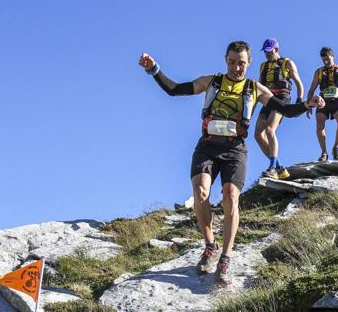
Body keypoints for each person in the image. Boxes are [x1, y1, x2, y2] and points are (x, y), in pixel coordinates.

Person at [138, 41, 324, 284]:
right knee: (200, 192)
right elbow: (174, 89)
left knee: (230, 196)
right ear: (226, 60)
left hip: (235, 149)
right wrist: (154, 70)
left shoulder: (255, 88)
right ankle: (210, 246)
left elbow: (285, 110)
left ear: (249, 64)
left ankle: (225, 257)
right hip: (208, 145)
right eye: (232, 62)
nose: (237, 68)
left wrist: (307, 105)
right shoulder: (212, 82)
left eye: (242, 64)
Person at [255, 38, 304, 179]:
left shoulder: (287, 63)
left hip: (282, 98)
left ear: (276, 49)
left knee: (270, 130)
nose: (267, 54)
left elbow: (298, 83)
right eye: (265, 51)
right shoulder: (263, 66)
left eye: (269, 51)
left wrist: (299, 101)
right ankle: (279, 167)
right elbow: (259, 85)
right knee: (258, 134)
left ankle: (272, 168)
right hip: (267, 100)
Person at [306, 47, 338, 161]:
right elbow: (311, 89)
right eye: (323, 59)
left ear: (333, 57)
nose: (325, 61)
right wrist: (308, 104)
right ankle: (324, 152)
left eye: (327, 58)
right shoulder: (318, 72)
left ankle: (336, 147)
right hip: (322, 101)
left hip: (337, 100)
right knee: (319, 125)